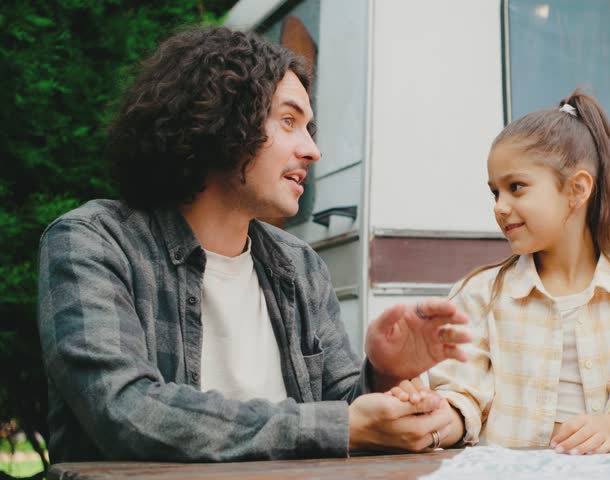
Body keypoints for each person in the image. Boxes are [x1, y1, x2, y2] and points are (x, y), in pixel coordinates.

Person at [37, 26, 469, 463]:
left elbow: (346, 412)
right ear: (217, 118)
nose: (312, 150)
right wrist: (345, 426)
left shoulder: (299, 264)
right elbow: (125, 410)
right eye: (288, 121)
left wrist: (383, 372)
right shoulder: (93, 242)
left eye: (309, 127)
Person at [389, 90, 610, 454]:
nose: (500, 207)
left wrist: (609, 427)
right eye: (495, 193)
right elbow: (462, 398)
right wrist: (429, 414)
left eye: (516, 188)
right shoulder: (479, 294)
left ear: (577, 189)